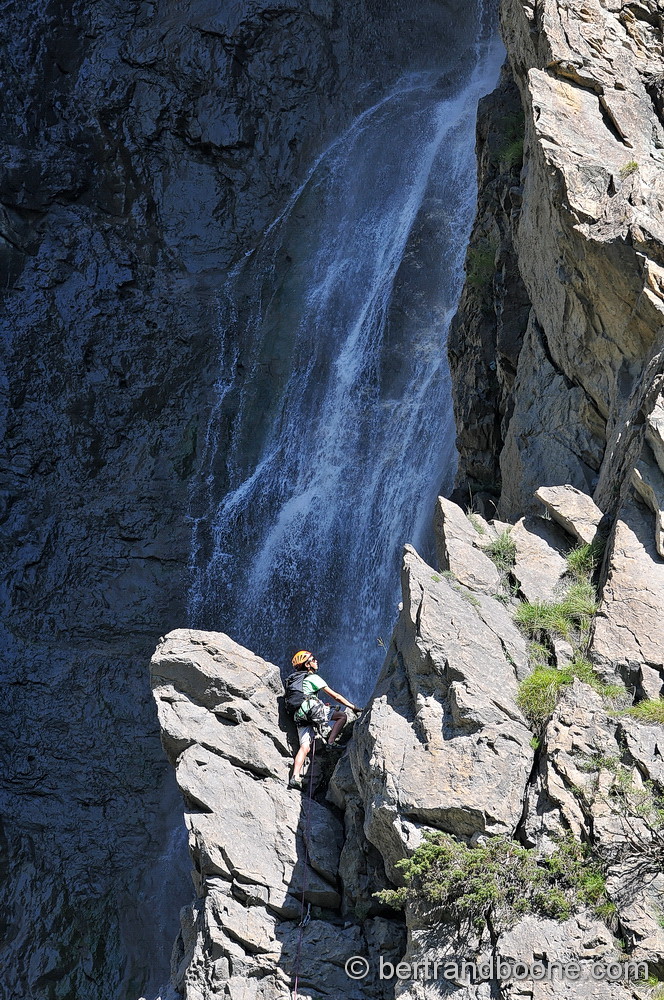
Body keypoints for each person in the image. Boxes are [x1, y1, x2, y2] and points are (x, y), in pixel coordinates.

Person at [287, 650, 362, 789]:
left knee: (305, 747)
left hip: (299, 715)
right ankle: (331, 742)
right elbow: (336, 696)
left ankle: (295, 776)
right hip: (311, 709)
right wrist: (353, 707)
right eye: (313, 659)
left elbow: (306, 696)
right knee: (342, 716)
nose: (316, 661)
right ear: (307, 665)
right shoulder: (313, 677)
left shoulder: (297, 681)